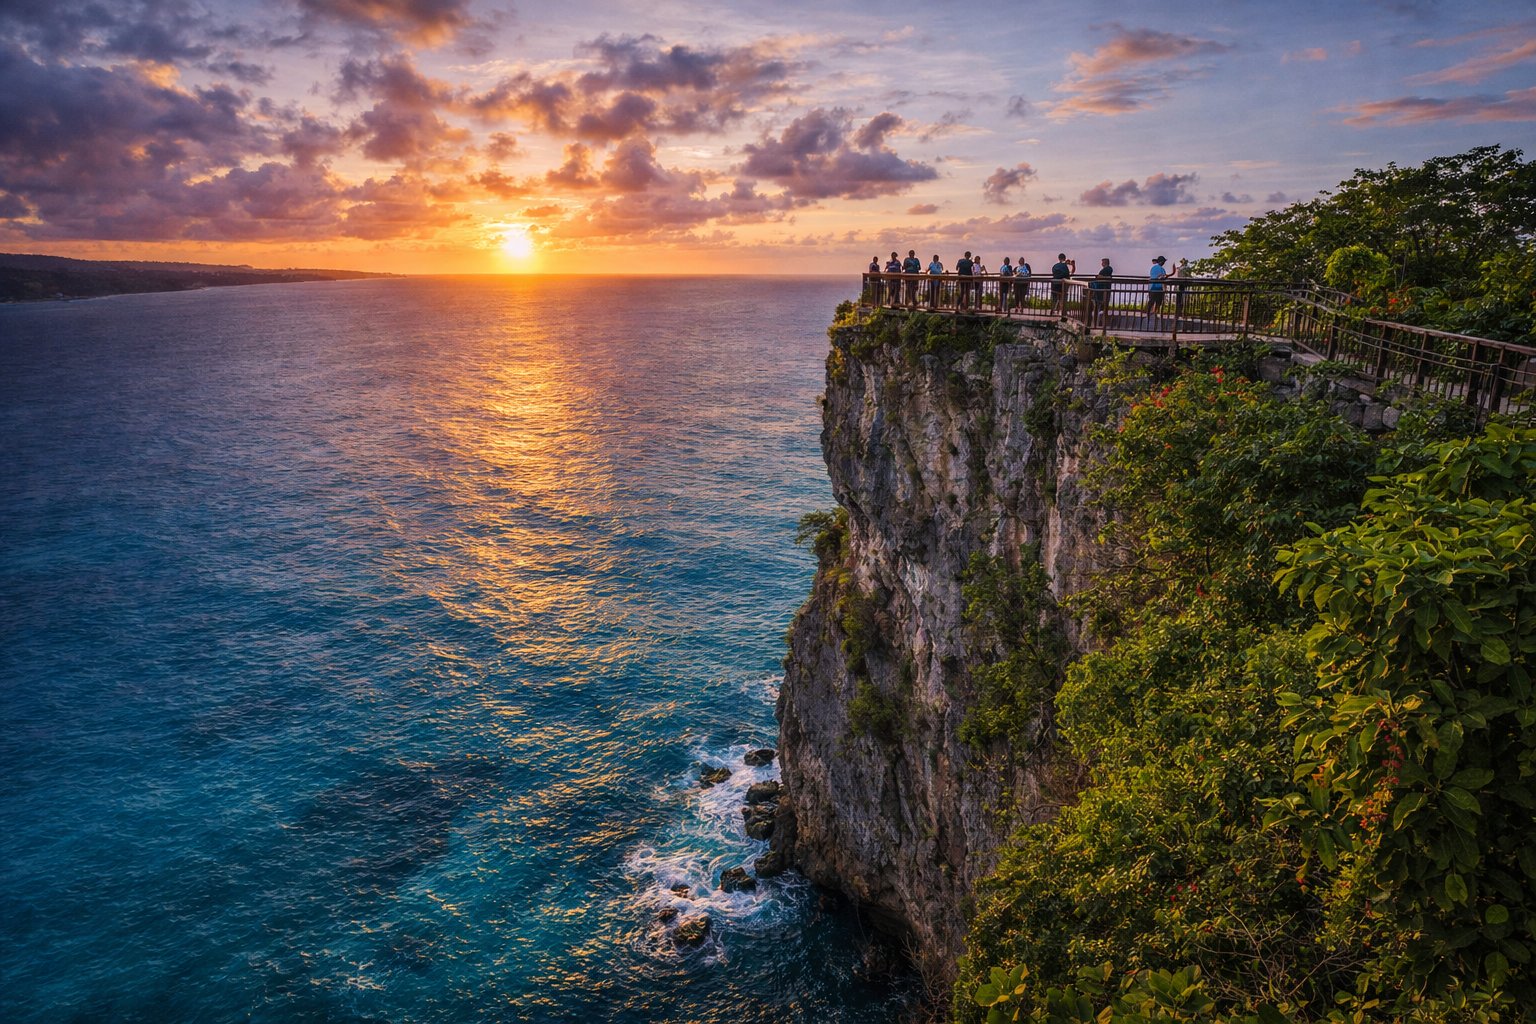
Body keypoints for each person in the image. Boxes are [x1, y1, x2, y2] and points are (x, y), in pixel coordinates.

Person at [1089, 257, 1113, 326]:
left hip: (1102, 290)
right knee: (1102, 307)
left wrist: (1099, 277)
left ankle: (1097, 323)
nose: (1101, 263)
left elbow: (1101, 277)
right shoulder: (1108, 269)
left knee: (1099, 306)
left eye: (1102, 262)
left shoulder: (1107, 269)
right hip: (1104, 290)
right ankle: (1099, 322)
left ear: (1105, 263)